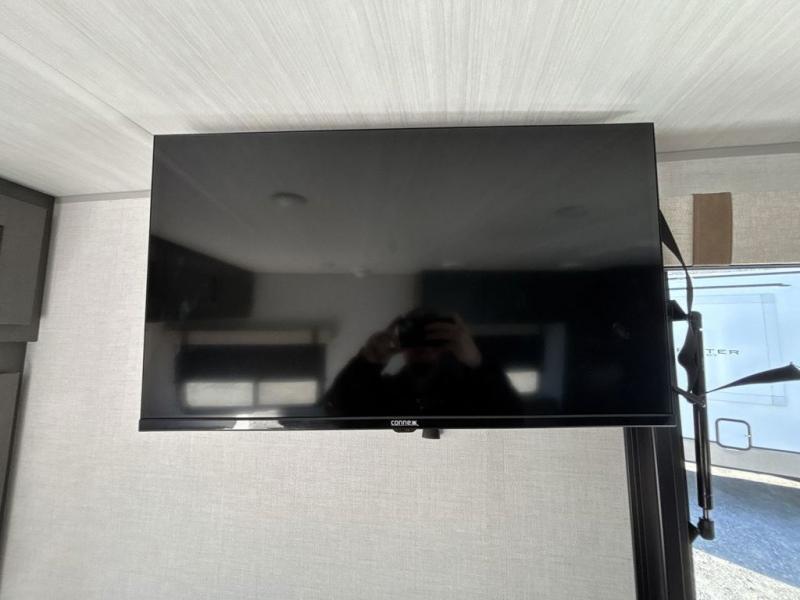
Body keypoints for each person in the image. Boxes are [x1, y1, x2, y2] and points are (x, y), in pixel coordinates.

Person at [324, 309, 520, 416]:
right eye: (414, 337)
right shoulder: (380, 391)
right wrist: (367, 362)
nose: (423, 346)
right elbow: (333, 411)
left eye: (432, 337)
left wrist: (476, 362)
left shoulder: (471, 390)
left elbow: (512, 417)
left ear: (445, 343)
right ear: (401, 342)